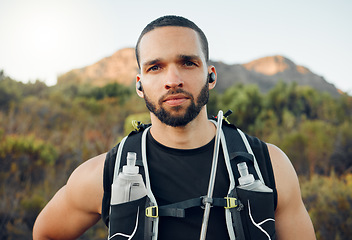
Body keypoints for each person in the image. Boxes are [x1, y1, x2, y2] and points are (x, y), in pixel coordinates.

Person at [33, 15, 316, 240]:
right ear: (139, 85)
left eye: (188, 62)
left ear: (211, 75)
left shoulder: (270, 165)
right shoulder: (103, 174)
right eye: (155, 67)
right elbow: (45, 233)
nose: (173, 79)